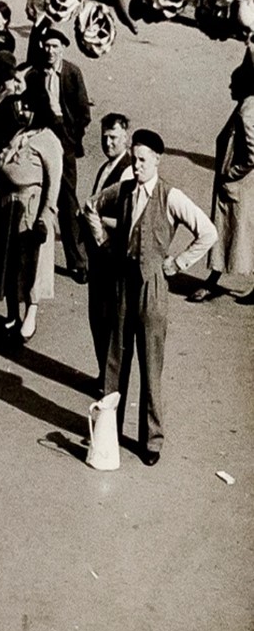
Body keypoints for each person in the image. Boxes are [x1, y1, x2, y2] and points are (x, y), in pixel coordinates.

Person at [84, 129, 216, 464]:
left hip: (152, 288)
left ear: (157, 160)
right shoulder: (125, 189)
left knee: (150, 365)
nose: (136, 165)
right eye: (134, 159)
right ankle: (107, 431)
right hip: (122, 284)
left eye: (143, 160)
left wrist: (178, 262)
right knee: (116, 359)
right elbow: (91, 206)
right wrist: (103, 240)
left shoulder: (170, 196)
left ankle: (151, 441)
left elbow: (208, 232)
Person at [0, 90, 63, 343]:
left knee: (29, 264)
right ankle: (13, 313)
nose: (22, 112)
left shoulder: (48, 139)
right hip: (9, 205)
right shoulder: (21, 133)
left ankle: (31, 314)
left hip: (30, 207)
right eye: (21, 107)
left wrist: (45, 216)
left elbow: (54, 182)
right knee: (8, 263)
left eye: (28, 107)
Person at [26, 26, 92, 283]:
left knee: (67, 200)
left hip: (65, 139)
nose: (50, 51)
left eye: (55, 46)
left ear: (63, 48)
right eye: (47, 46)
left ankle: (78, 261)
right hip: (43, 136)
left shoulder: (72, 73)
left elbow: (84, 112)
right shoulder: (36, 74)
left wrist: (70, 137)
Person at [191, 53, 254, 303]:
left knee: (230, 233)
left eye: (232, 82)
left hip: (237, 185)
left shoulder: (247, 111)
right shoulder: (247, 105)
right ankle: (214, 280)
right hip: (242, 186)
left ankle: (213, 281)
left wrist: (231, 173)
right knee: (238, 233)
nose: (229, 86)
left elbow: (253, 153)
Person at [82, 112, 134, 372]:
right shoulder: (107, 168)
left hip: (112, 254)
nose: (108, 143)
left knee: (109, 318)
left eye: (113, 137)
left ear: (126, 137)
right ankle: (104, 373)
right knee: (98, 317)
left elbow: (129, 220)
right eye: (104, 137)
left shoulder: (127, 172)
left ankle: (111, 379)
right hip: (98, 254)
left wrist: (97, 219)